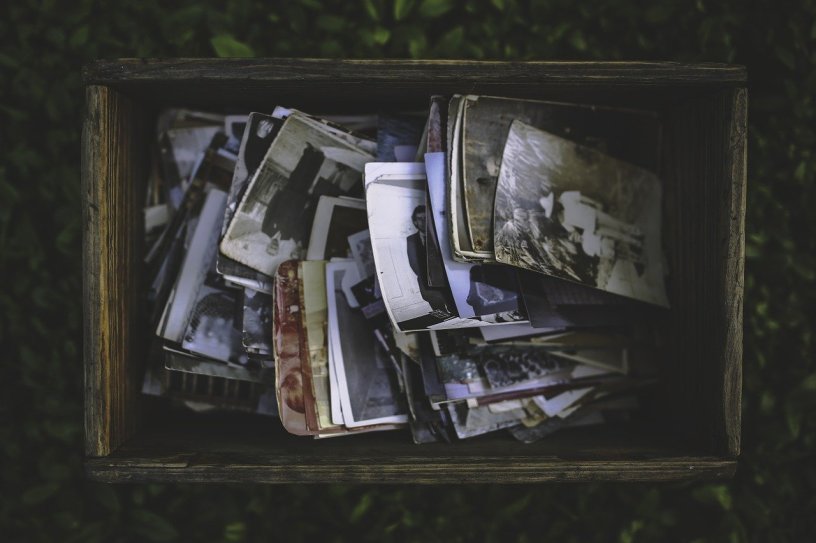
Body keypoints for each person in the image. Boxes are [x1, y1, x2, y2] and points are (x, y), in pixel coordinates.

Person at [405, 205, 450, 313]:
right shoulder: (411, 240)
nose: (423, 221)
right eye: (420, 219)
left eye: (426, 218)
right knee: (441, 315)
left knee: (456, 311)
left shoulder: (438, 235)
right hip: (428, 285)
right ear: (415, 222)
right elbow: (413, 263)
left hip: (446, 282)